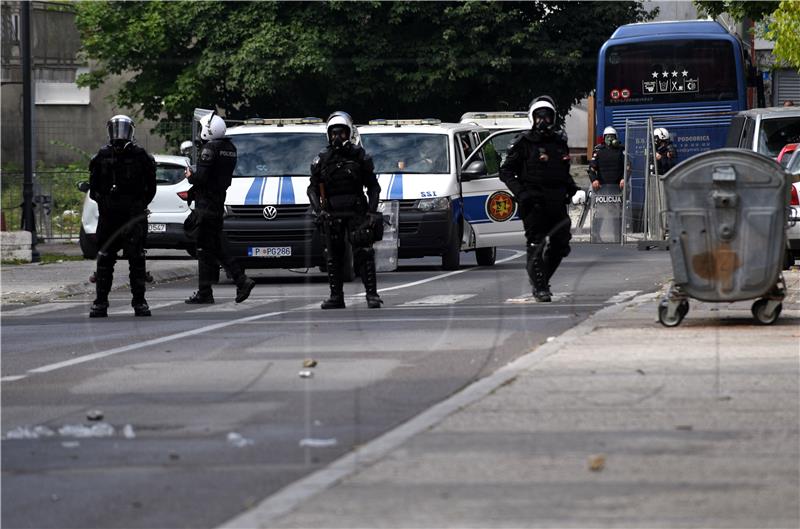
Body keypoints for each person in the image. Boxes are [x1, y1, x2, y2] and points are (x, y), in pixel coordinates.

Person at [499, 96, 582, 302]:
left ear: (553, 118)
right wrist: (521, 193)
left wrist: (573, 189)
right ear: (532, 118)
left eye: (547, 116)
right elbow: (506, 171)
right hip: (534, 201)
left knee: (561, 244)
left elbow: (562, 171)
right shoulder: (524, 143)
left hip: (557, 201)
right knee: (536, 243)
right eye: (539, 117)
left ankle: (541, 279)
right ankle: (540, 286)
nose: (543, 121)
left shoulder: (559, 142)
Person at [308, 111, 383, 309]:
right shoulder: (322, 159)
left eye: (341, 133)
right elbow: (312, 188)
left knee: (364, 253)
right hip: (332, 213)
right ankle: (336, 296)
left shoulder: (360, 157)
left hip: (356, 212)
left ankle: (372, 295)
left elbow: (374, 187)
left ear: (349, 134)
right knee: (332, 256)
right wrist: (318, 211)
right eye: (333, 133)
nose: (337, 137)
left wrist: (372, 212)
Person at [88, 115, 157, 318]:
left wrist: (137, 206)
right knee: (105, 260)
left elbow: (150, 188)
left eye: (123, 129)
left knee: (136, 259)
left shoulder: (140, 155)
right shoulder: (101, 156)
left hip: (131, 216)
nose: (119, 134)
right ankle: (101, 303)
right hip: (110, 216)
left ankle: (139, 302)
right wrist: (106, 201)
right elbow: (94, 190)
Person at [184, 112, 255, 304]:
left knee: (208, 248)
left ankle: (240, 280)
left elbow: (202, 178)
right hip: (217, 202)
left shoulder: (209, 149)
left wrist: (190, 175)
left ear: (208, 131)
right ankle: (206, 291)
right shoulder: (229, 148)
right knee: (210, 248)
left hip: (206, 205)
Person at [588, 126, 625, 191]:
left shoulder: (621, 151)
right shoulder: (598, 151)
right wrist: (594, 180)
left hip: (618, 187)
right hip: (602, 187)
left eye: (612, 137)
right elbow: (592, 168)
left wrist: (624, 179)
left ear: (616, 138)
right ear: (604, 138)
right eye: (607, 137)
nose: (610, 139)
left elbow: (628, 168)